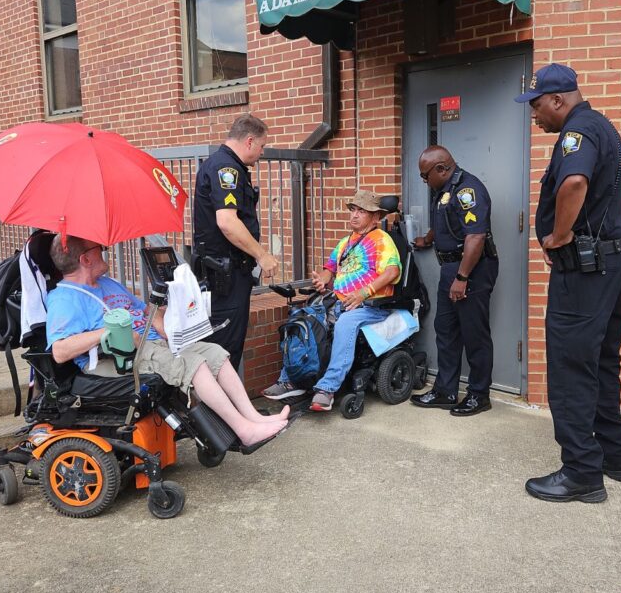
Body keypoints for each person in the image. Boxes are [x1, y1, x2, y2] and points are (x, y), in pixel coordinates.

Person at [515, 63, 621, 503]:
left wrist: (559, 235)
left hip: (587, 271)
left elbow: (573, 182)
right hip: (616, 261)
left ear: (557, 100)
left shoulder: (578, 131)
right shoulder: (601, 124)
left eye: (536, 107)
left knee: (571, 366)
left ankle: (581, 472)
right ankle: (615, 455)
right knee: (602, 359)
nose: (534, 117)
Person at [45, 235, 289, 451]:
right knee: (194, 364)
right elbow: (60, 350)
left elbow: (152, 320)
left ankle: (253, 418)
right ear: (85, 259)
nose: (105, 249)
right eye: (98, 247)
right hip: (119, 358)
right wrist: (110, 331)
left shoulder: (109, 285)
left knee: (215, 353)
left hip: (152, 345)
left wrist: (165, 303)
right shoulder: (65, 298)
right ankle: (244, 431)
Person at [262, 190, 401, 412]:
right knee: (303, 318)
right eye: (353, 210)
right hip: (338, 301)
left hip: (370, 305)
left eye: (362, 211)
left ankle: (327, 388)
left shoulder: (382, 240)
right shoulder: (346, 242)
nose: (354, 215)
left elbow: (392, 271)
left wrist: (364, 292)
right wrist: (323, 280)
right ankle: (291, 379)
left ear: (376, 217)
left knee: (345, 323)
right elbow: (330, 268)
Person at [410, 146, 498, 417]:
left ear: (441, 168)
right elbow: (445, 218)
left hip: (471, 269)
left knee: (474, 334)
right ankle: (445, 391)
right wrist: (429, 238)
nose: (424, 181)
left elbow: (475, 237)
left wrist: (462, 277)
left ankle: (478, 395)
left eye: (425, 176)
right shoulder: (445, 190)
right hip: (451, 269)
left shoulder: (468, 191)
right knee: (445, 329)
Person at [192, 113, 279, 370]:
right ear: (250, 141)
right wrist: (262, 255)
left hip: (227, 272)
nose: (262, 153)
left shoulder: (227, 165)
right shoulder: (226, 169)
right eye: (262, 146)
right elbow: (227, 222)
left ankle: (223, 408)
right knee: (223, 350)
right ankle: (217, 410)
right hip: (225, 275)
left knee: (226, 345)